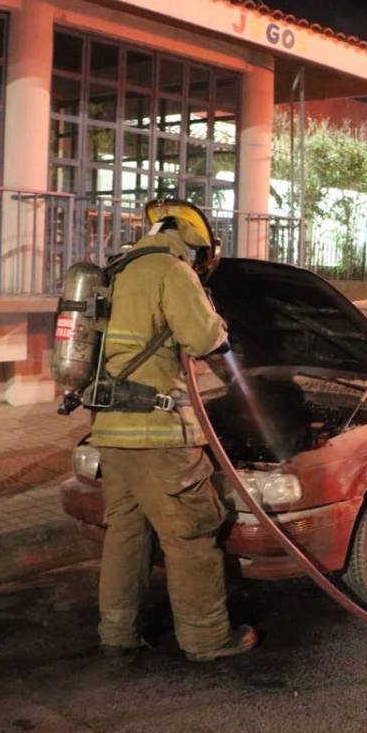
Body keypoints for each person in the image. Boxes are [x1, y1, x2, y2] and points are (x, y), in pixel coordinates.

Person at [92, 198, 257, 663]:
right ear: (193, 242)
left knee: (126, 533)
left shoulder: (119, 268)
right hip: (158, 432)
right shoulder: (172, 270)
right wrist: (217, 320)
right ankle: (207, 639)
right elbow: (205, 339)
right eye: (201, 255)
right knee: (190, 533)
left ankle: (117, 632)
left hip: (111, 430)